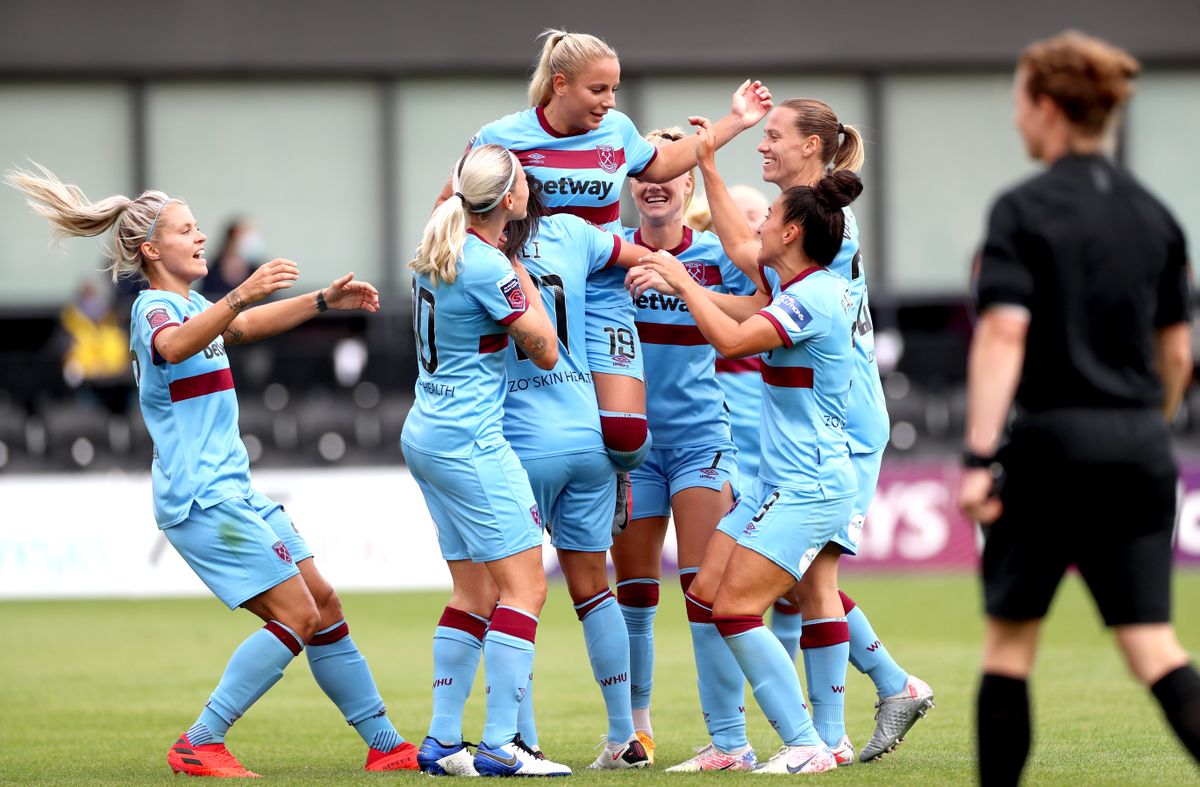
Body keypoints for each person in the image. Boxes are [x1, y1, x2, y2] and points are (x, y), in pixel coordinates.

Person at [6, 164, 417, 777]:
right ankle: (200, 741)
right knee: (298, 616)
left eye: (199, 228)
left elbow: (244, 324)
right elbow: (175, 345)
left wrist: (323, 299)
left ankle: (387, 747)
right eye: (186, 230)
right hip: (203, 501)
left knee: (323, 603)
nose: (200, 238)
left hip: (236, 492)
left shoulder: (195, 305)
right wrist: (239, 294)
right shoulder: (153, 309)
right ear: (151, 249)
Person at [957, 30, 1200, 786]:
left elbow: (1003, 331)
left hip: (1049, 446)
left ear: (1050, 107)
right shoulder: (1155, 215)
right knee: (1153, 644)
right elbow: (1179, 357)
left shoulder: (1022, 209)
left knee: (1010, 645)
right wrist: (1141, 430)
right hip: (1139, 446)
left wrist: (975, 457)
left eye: (1020, 102)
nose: (1017, 118)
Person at [444, 29, 772, 529]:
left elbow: (663, 162)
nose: (609, 101)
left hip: (600, 295)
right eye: (598, 90)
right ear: (560, 84)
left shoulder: (616, 131)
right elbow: (454, 204)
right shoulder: (502, 137)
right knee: (532, 434)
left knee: (624, 434)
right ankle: (529, 517)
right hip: (533, 301)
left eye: (614, 90)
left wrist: (736, 123)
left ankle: (617, 480)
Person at [695, 100, 933, 764]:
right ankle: (857, 711)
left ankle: (838, 726)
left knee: (809, 582)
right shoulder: (797, 219)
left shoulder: (828, 229)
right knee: (804, 584)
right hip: (811, 430)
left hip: (843, 427)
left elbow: (754, 291)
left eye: (774, 136)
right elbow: (747, 258)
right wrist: (710, 164)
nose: (763, 145)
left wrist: (684, 283)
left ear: (812, 148)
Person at [628, 171, 864, 774]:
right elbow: (742, 309)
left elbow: (732, 341)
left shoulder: (811, 299)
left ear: (790, 232)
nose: (752, 227)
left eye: (766, 219)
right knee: (705, 594)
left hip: (807, 484)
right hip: (776, 483)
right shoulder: (802, 289)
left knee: (737, 608)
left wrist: (680, 278)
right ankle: (731, 747)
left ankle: (808, 741)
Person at [403, 144, 572, 778]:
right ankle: (501, 744)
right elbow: (547, 351)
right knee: (525, 586)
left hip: (428, 434)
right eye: (522, 181)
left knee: (473, 590)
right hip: (470, 442)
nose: (530, 187)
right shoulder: (487, 265)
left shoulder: (437, 247)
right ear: (508, 201)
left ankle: (444, 744)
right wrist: (516, 268)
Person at [492, 174, 661, 770]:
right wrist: (654, 269)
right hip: (588, 434)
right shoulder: (574, 233)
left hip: (517, 441)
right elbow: (639, 252)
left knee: (511, 594)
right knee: (594, 589)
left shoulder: (475, 249)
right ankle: (624, 738)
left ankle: (520, 740)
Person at [606, 128, 759, 770]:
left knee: (704, 588)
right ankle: (634, 735)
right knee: (635, 592)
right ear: (630, 184)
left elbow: (757, 306)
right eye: (645, 170)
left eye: (670, 170)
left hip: (701, 439)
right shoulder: (605, 258)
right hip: (629, 448)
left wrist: (681, 288)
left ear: (688, 184)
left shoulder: (712, 258)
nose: (657, 180)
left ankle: (728, 742)